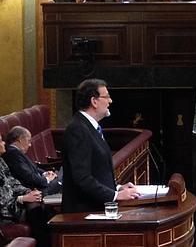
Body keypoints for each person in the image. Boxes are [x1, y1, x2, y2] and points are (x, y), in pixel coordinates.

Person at [62, 79, 140, 213]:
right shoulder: (77, 129)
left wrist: (117, 188)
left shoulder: (90, 127)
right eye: (107, 96)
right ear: (94, 101)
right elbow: (82, 177)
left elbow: (96, 170)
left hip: (96, 210)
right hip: (83, 214)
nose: (110, 101)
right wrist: (115, 195)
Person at [0, 134, 48, 246]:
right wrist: (23, 198)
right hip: (4, 213)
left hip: (13, 203)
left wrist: (28, 192)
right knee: (36, 208)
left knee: (38, 203)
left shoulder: (1, 161)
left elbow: (13, 182)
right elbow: (3, 200)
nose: (4, 144)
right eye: (1, 141)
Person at [2, 126, 61, 196]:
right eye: (28, 141)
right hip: (34, 190)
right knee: (64, 180)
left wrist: (45, 173)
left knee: (62, 177)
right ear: (20, 139)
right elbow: (28, 176)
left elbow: (34, 168)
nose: (30, 145)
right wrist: (47, 179)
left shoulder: (16, 151)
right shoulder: (13, 153)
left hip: (39, 184)